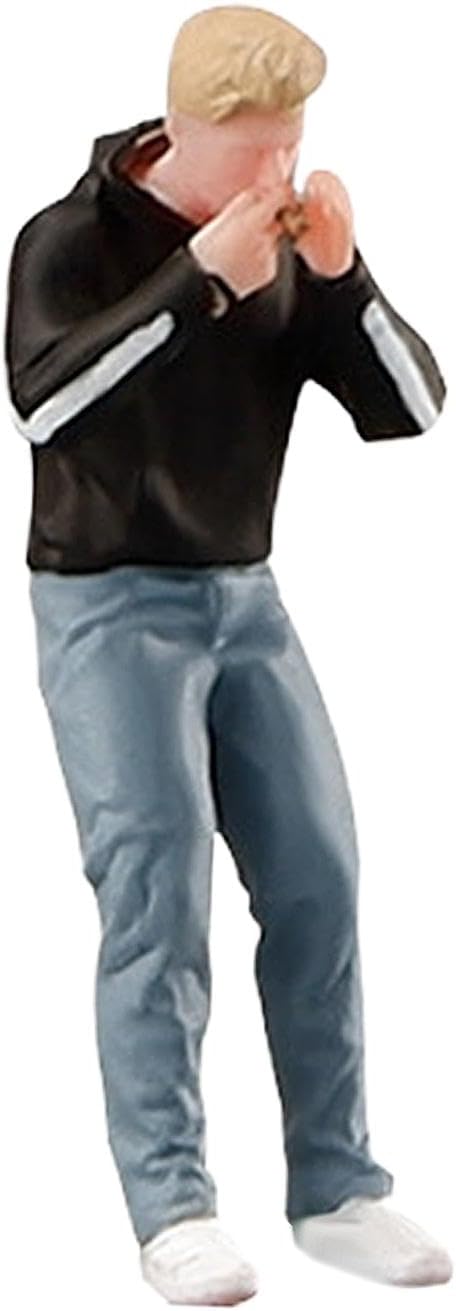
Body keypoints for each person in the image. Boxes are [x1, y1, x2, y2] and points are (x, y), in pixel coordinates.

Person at [4, 4, 452, 1303]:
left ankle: (338, 1185)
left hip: (245, 596)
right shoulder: (70, 238)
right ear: (183, 128)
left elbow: (413, 409)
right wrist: (198, 282)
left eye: (292, 141)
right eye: (254, 145)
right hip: (106, 605)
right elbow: (46, 404)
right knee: (157, 897)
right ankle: (173, 1207)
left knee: (318, 873)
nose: (277, 169)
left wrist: (346, 280)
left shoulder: (286, 246)